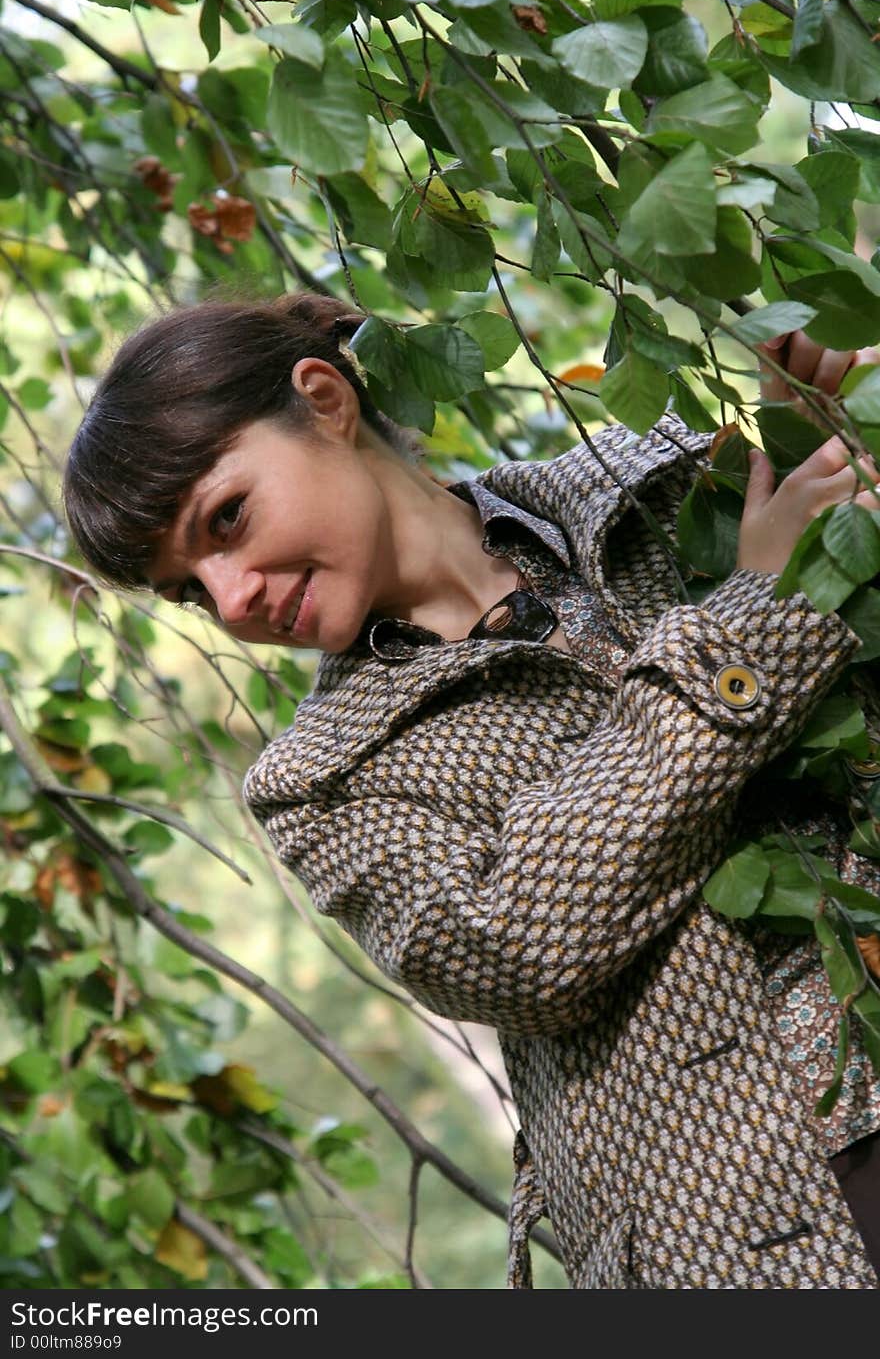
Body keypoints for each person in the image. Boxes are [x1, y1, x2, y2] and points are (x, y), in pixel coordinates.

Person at [62, 292, 880, 1289]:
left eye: (225, 519)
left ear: (323, 399)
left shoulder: (668, 481)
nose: (233, 600)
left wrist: (823, 425)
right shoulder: (321, 780)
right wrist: (749, 625)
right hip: (743, 1247)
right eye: (191, 589)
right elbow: (510, 948)